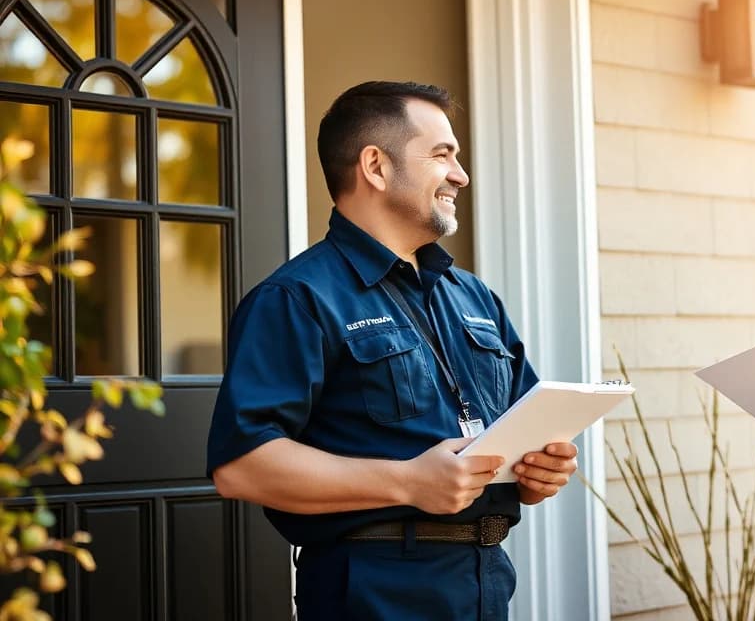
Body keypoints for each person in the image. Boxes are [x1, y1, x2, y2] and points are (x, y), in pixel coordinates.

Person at [206, 81, 578, 620]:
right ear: (376, 167)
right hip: (371, 592)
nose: (461, 175)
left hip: (487, 585)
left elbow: (522, 426)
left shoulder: (474, 296)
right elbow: (241, 467)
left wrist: (541, 473)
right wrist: (407, 481)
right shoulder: (296, 298)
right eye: (442, 155)